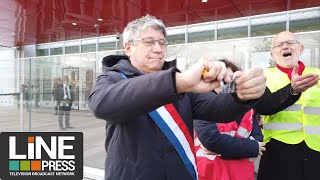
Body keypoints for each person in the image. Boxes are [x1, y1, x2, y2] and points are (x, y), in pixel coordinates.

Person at [88, 15, 267, 180]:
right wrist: (178, 82)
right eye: (149, 42)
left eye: (162, 42)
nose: (158, 49)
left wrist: (242, 95)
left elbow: (217, 109)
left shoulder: (179, 81)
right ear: (128, 47)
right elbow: (101, 104)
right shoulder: (113, 78)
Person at [193, 59, 307, 180]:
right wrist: (251, 147)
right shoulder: (203, 106)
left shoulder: (247, 109)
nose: (225, 85)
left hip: (240, 173)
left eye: (230, 80)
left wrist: (226, 149)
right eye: (220, 80)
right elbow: (212, 140)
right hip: (212, 173)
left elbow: (258, 140)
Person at [257, 31, 320, 180]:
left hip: (316, 151)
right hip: (278, 153)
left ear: (301, 49)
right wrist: (291, 91)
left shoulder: (317, 74)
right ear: (272, 54)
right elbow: (264, 106)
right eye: (279, 45)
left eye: (290, 43)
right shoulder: (264, 76)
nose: (285, 46)